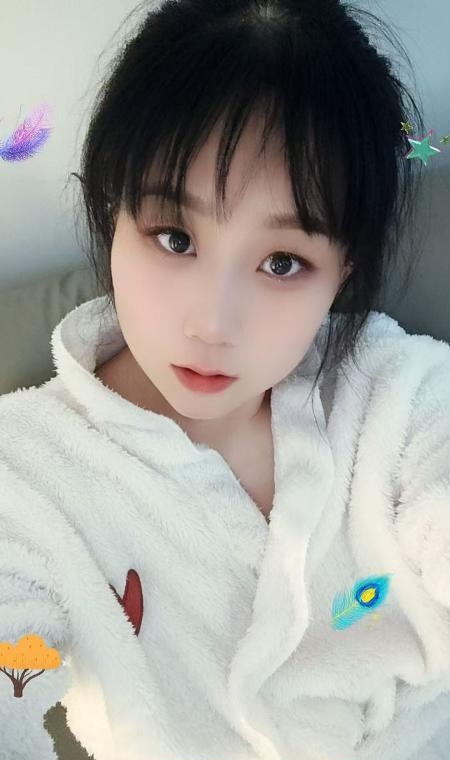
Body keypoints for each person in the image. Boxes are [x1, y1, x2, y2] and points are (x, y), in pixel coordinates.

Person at [1, 1, 449, 759]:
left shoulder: (399, 394)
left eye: (283, 262)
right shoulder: (23, 477)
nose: (213, 323)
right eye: (174, 238)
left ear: (343, 272)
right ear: (111, 216)